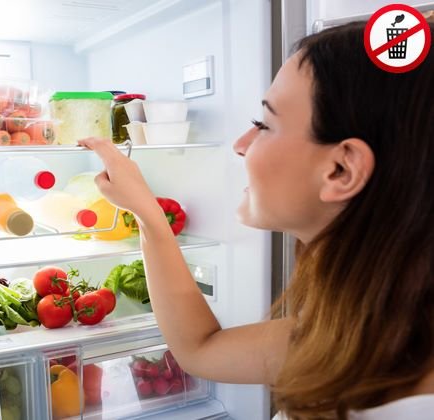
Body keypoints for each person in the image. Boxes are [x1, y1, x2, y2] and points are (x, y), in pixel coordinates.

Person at [79, 21, 433, 419]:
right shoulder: (372, 330)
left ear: (341, 171)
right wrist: (148, 214)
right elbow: (202, 348)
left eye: (265, 124)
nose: (241, 144)